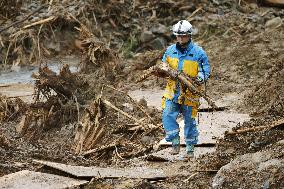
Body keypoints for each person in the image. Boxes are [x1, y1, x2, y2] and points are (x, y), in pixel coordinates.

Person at [160, 20, 210, 158]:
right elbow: (163, 65)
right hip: (172, 91)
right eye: (178, 36)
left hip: (190, 93)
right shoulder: (170, 51)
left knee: (189, 121)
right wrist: (161, 70)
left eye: (183, 36)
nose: (180, 38)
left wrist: (200, 78)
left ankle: (189, 149)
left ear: (189, 35)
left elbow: (205, 68)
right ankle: (175, 141)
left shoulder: (199, 52)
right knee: (167, 115)